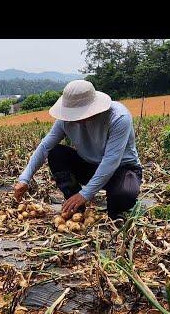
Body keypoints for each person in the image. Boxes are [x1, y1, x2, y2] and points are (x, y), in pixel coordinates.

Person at [13, 80, 142, 221]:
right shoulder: (65, 120)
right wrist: (24, 178)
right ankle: (75, 207)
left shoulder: (118, 117)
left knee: (122, 201)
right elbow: (45, 146)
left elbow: (111, 161)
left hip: (122, 170)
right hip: (89, 166)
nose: (76, 119)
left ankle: (95, 201)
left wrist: (85, 194)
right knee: (56, 153)